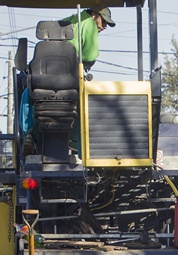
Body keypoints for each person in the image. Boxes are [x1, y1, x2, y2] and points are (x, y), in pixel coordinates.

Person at [22, 6, 116, 156]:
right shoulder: (89, 23)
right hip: (70, 82)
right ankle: (77, 146)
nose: (104, 26)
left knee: (34, 106)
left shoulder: (67, 22)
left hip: (42, 83)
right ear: (94, 15)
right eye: (103, 22)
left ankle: (30, 137)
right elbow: (90, 55)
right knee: (84, 109)